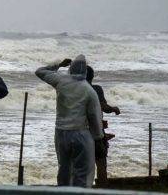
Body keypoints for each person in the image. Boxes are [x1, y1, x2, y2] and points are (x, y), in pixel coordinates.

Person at [35, 55, 104, 188]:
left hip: (61, 133)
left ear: (71, 68)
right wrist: (98, 138)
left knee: (64, 170)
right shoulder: (89, 91)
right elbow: (94, 117)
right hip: (81, 133)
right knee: (83, 173)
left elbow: (40, 71)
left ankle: (63, 192)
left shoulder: (60, 80)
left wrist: (58, 65)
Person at [86, 65, 120, 186]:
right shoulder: (96, 89)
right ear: (92, 76)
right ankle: (102, 188)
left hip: (79, 132)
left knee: (81, 166)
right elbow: (104, 108)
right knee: (101, 163)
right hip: (96, 132)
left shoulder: (74, 89)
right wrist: (114, 109)